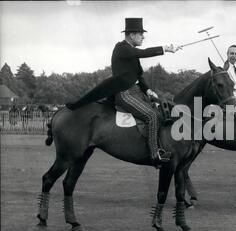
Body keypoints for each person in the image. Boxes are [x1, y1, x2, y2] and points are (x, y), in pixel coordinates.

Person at [66, 17, 181, 162]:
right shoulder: (122, 48)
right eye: (141, 34)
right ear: (132, 35)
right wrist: (166, 49)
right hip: (125, 94)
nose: (143, 36)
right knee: (151, 115)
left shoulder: (131, 51)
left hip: (137, 92)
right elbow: (144, 52)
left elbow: (138, 75)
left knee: (160, 111)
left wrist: (148, 91)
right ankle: (154, 154)